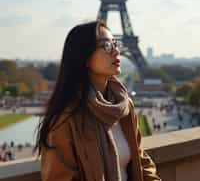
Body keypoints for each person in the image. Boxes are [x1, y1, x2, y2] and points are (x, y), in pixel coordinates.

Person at [33, 20, 161, 181]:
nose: (116, 51)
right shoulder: (65, 118)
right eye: (107, 45)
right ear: (84, 57)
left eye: (115, 44)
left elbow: (140, 160)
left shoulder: (124, 106)